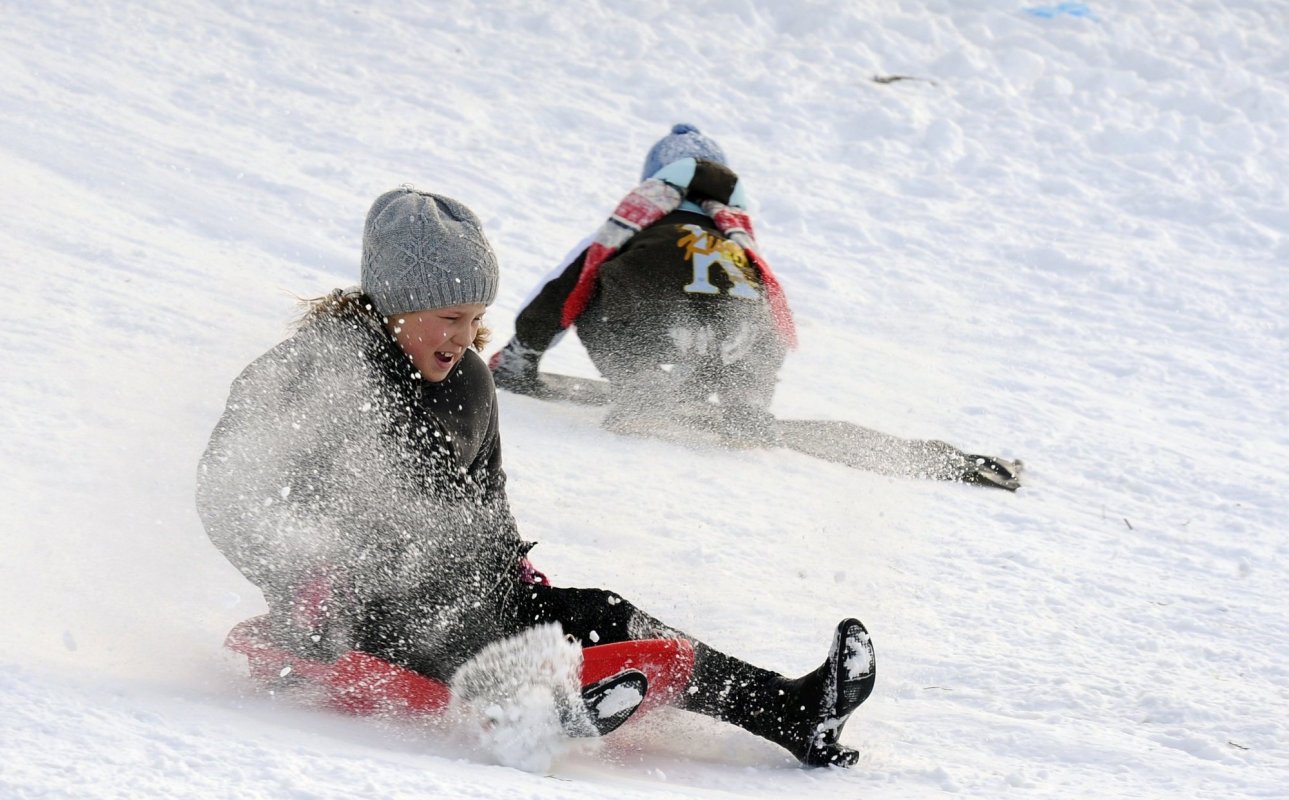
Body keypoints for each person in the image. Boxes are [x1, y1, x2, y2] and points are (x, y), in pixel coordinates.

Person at [197, 186, 877, 767]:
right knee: (436, 623)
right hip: (350, 609)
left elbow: (483, 495)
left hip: (466, 587)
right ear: (396, 304)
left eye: (475, 319)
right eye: (448, 317)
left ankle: (790, 711)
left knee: (601, 613)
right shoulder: (315, 372)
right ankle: (532, 716)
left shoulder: (464, 381)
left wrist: (509, 569)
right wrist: (300, 571)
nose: (464, 337)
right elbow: (227, 489)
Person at [489, 123, 794, 444]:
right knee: (747, 318)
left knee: (593, 287)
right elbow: (774, 314)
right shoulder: (737, 239)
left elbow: (565, 288)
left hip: (653, 325)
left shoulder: (632, 225)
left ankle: (643, 387)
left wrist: (522, 351)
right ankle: (745, 404)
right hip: (735, 338)